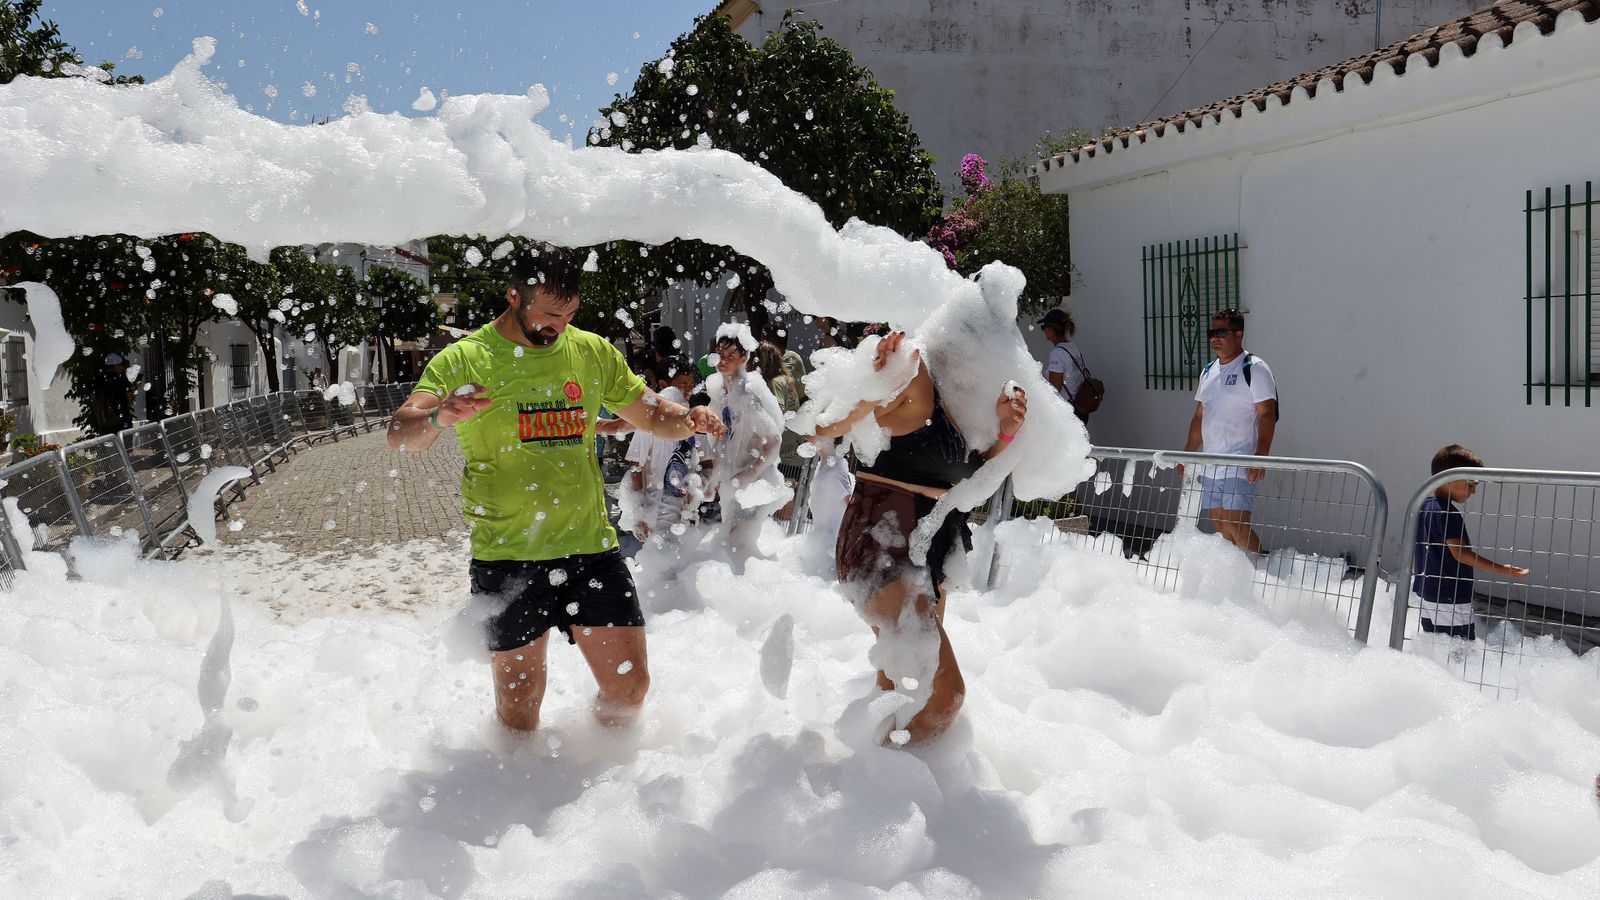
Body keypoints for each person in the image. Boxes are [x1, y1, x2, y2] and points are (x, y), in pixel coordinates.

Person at [388, 244, 724, 735]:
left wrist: (687, 418)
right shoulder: (466, 358)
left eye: (569, 314)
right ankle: (521, 796)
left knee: (629, 689)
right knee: (520, 704)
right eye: (548, 314)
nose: (559, 326)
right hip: (507, 556)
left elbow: (650, 413)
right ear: (513, 296)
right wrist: (439, 416)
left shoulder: (590, 352)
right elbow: (401, 433)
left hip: (590, 549)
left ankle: (605, 773)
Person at [812, 331, 1026, 743]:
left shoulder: (959, 401)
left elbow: (971, 474)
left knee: (899, 687)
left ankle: (880, 780)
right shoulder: (907, 370)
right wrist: (873, 380)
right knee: (945, 696)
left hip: (934, 538)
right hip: (882, 537)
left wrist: (1005, 433)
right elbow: (824, 423)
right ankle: (895, 779)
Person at [1179, 309, 1277, 553]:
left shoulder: (1253, 368)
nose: (1215, 338)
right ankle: (1237, 581)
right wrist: (1186, 455)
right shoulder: (1208, 370)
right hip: (1212, 463)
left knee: (1237, 524)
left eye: (1221, 332)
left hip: (1239, 462)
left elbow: (1267, 414)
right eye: (1212, 332)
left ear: (1238, 334)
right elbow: (1200, 416)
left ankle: (1261, 572)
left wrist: (1261, 456)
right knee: (1222, 526)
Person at [1412, 444, 1529, 641]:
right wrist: (1503, 569)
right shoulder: (1447, 512)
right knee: (1460, 652)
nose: (1473, 491)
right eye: (1470, 484)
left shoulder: (1422, 506)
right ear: (1449, 478)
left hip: (1427, 592)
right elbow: (1461, 554)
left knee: (1435, 646)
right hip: (1450, 596)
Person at [705, 327, 788, 575]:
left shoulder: (747, 392)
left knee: (735, 544)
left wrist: (750, 474)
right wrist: (714, 480)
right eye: (720, 354)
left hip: (755, 486)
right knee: (732, 545)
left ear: (745, 358)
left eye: (731, 355)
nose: (723, 360)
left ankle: (764, 594)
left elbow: (773, 439)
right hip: (735, 484)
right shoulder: (722, 393)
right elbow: (724, 441)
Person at [617, 359, 702, 547]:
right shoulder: (649, 422)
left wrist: (693, 501)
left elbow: (698, 465)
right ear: (664, 386)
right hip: (656, 512)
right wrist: (638, 514)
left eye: (691, 385)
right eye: (683, 385)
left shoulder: (694, 419)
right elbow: (636, 468)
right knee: (660, 566)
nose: (689, 391)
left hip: (685, 513)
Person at [755, 340, 806, 520]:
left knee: (779, 514)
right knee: (785, 511)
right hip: (795, 451)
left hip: (785, 454)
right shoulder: (786, 380)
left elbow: (778, 411)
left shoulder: (775, 382)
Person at [1039, 308, 1092, 423]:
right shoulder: (1073, 347)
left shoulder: (1057, 354)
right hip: (1080, 408)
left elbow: (1055, 388)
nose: (1043, 331)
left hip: (1067, 413)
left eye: (1044, 327)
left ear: (1053, 329)